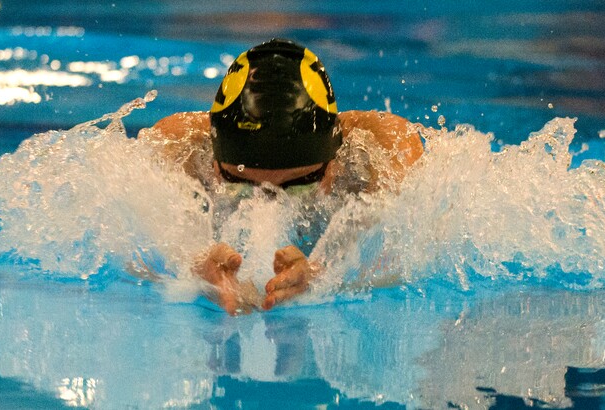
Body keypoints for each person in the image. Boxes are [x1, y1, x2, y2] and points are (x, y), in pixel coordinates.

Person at [141, 39, 424, 315]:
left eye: (299, 186)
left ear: (333, 162)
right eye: (240, 184)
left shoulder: (382, 152)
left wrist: (323, 277)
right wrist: (192, 267)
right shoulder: (179, 149)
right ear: (215, 163)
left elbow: (411, 257)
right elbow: (130, 250)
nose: (268, 204)